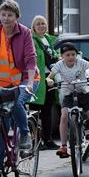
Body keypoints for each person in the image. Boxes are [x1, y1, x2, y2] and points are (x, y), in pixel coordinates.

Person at [0, 0, 38, 157]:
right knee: (0, 126)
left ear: (17, 17)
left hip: (24, 81)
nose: (6, 18)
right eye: (3, 14)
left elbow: (31, 58)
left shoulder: (24, 32)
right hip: (0, 83)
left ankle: (25, 133)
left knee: (16, 103)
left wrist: (30, 83)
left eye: (10, 15)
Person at [48, 43, 89, 162]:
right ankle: (63, 146)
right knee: (64, 116)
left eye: (73, 54)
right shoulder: (59, 65)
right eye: (67, 55)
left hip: (83, 93)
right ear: (62, 56)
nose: (71, 57)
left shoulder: (80, 62)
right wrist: (49, 80)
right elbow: (49, 77)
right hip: (68, 94)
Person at [29, 15, 60, 150]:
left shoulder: (48, 39)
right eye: (38, 24)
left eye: (43, 23)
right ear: (34, 27)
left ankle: (47, 139)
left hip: (49, 79)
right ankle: (34, 141)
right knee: (34, 111)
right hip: (36, 79)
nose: (41, 26)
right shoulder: (32, 41)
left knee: (48, 111)